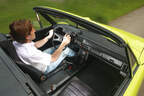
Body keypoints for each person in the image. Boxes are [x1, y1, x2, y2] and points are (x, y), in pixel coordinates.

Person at [9, 19, 75, 74]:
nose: (35, 30)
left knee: (58, 47)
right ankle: (77, 58)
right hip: (46, 68)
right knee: (66, 50)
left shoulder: (16, 42)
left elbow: (35, 45)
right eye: (32, 30)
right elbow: (53, 58)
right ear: (27, 37)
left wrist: (48, 37)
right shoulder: (30, 52)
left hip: (37, 62)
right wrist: (63, 43)